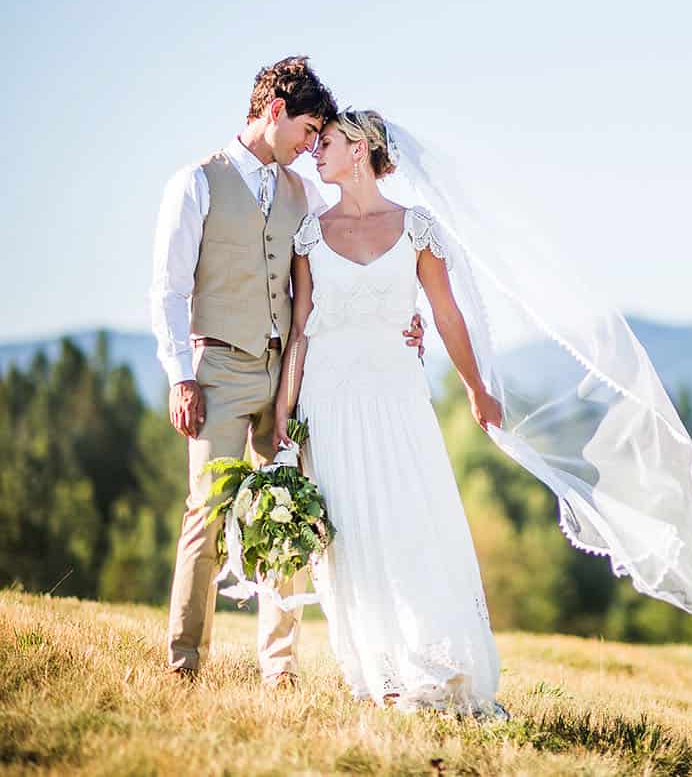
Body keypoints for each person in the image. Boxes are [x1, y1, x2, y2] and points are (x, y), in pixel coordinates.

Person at [149, 58, 425, 689]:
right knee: (207, 510)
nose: (310, 145)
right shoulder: (195, 183)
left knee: (285, 510)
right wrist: (179, 375)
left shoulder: (301, 193)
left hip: (285, 377)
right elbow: (166, 290)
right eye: (306, 129)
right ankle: (185, 661)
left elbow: (338, 273)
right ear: (273, 109)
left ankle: (279, 667)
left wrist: (401, 324)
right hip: (216, 366)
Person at [276, 109, 506, 716]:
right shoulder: (308, 233)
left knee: (410, 519)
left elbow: (445, 313)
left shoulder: (416, 228)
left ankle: (435, 660)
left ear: (359, 150)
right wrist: (284, 412)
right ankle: (383, 675)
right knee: (351, 532)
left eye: (325, 143)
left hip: (399, 397)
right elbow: (300, 331)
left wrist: (477, 387)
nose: (314, 152)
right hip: (328, 400)